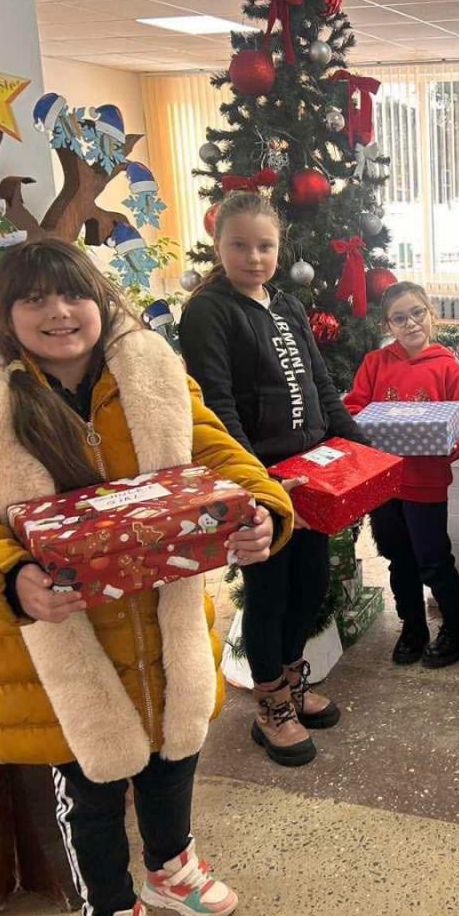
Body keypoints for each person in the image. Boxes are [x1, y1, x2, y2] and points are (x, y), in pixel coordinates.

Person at [0, 238, 294, 916]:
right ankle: (110, 904)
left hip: (165, 623)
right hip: (63, 644)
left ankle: (172, 870)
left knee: (175, 755)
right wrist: (10, 577)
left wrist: (261, 507)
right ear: (6, 314)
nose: (59, 313)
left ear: (100, 300)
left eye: (74, 294)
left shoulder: (153, 374)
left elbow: (219, 454)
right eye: (35, 299)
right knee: (90, 796)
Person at [178, 191, 368, 767]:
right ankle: (271, 709)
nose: (254, 257)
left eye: (265, 246)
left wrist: (358, 447)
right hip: (261, 482)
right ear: (218, 245)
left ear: (279, 248)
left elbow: (320, 384)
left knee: (310, 585)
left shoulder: (286, 305)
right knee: (269, 594)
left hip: (309, 474)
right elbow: (217, 407)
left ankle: (292, 683)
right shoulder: (208, 311)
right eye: (240, 245)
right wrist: (254, 483)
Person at [345, 280, 459, 668]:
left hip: (426, 483)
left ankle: (458, 627)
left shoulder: (447, 367)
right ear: (388, 325)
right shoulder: (375, 363)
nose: (411, 323)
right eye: (399, 318)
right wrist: (365, 429)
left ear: (431, 313)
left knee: (433, 559)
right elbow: (354, 411)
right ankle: (413, 626)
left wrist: (448, 443)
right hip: (384, 484)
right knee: (397, 557)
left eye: (417, 313)